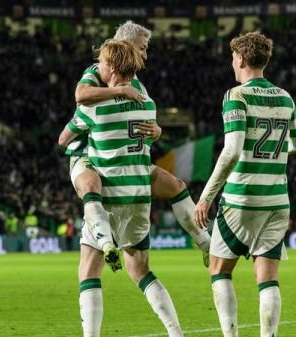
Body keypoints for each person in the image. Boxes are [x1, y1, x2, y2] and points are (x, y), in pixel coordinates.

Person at [59, 39, 183, 337]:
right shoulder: (148, 104)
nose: (97, 67)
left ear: (111, 66)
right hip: (140, 199)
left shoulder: (94, 107)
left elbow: (64, 139)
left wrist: (81, 141)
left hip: (109, 196)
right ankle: (175, 332)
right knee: (140, 271)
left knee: (89, 271)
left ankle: (103, 242)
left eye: (100, 62)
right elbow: (151, 133)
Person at [67, 20, 211, 269]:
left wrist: (157, 131)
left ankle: (207, 245)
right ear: (126, 44)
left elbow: (146, 124)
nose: (145, 54)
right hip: (91, 155)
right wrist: (119, 92)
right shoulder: (97, 70)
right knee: (94, 193)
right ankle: (105, 242)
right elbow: (81, 95)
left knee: (176, 186)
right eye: (142, 47)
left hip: (126, 159)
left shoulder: (137, 83)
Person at [194, 32, 296, 337]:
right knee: (267, 278)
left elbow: (232, 150)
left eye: (233, 57)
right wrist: (269, 152)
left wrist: (205, 197)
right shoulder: (285, 97)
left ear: (241, 59)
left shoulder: (236, 96)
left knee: (219, 270)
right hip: (277, 200)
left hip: (242, 199)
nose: (232, 63)